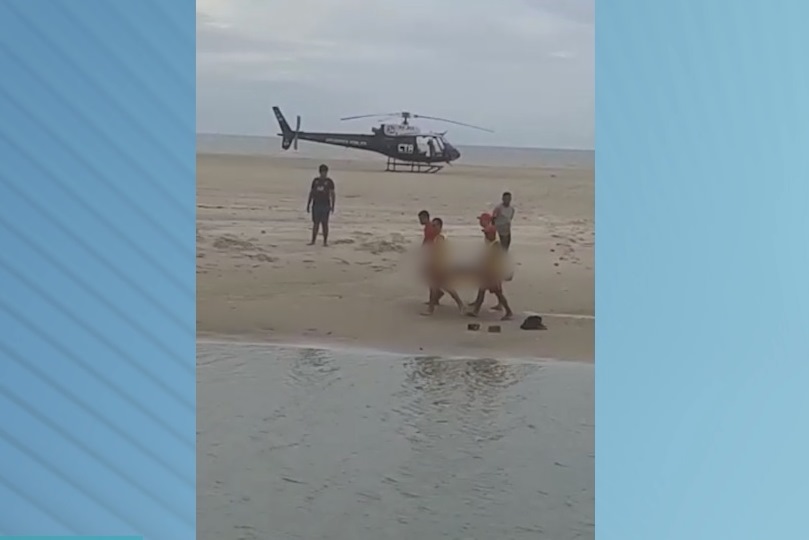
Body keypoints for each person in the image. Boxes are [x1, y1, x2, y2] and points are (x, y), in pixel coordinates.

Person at [467, 225, 514, 321]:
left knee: (498, 293)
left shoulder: (495, 245)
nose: (485, 235)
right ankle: (476, 311)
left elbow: (495, 261)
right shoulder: (491, 244)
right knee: (481, 291)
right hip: (488, 272)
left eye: (487, 233)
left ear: (492, 234)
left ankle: (508, 311)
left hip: (492, 273)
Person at [422, 217, 465, 316]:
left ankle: (431, 309)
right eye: (432, 226)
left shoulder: (439, 239)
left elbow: (439, 254)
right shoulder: (436, 238)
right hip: (437, 266)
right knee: (439, 288)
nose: (433, 227)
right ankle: (432, 308)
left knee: (444, 288)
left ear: (440, 227)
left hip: (440, 267)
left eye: (435, 226)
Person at [307, 164, 336, 246]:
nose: (324, 174)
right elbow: (311, 192)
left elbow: (332, 194)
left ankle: (325, 242)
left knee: (325, 223)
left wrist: (332, 206)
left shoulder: (329, 182)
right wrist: (308, 204)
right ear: (320, 172)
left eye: (325, 172)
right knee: (315, 223)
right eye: (322, 172)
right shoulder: (315, 181)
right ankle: (313, 241)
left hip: (325, 205)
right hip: (316, 204)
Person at [418, 210, 443, 305]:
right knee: (429, 276)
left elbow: (432, 240)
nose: (419, 221)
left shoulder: (430, 227)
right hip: (430, 254)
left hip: (433, 255)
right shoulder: (427, 228)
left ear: (425, 218)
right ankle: (437, 295)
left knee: (431, 277)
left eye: (420, 219)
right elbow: (426, 239)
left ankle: (435, 297)